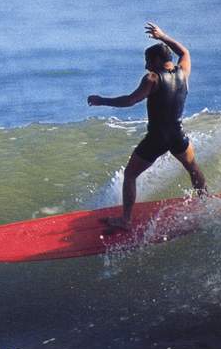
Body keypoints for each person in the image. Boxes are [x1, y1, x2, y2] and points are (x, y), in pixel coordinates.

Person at [87, 22, 207, 230]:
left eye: (148, 60)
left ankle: (125, 221)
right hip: (177, 135)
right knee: (193, 169)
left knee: (130, 175)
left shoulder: (152, 78)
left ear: (158, 60)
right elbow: (184, 51)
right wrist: (163, 36)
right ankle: (207, 204)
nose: (146, 65)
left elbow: (130, 100)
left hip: (157, 138)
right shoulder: (183, 73)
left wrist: (102, 100)